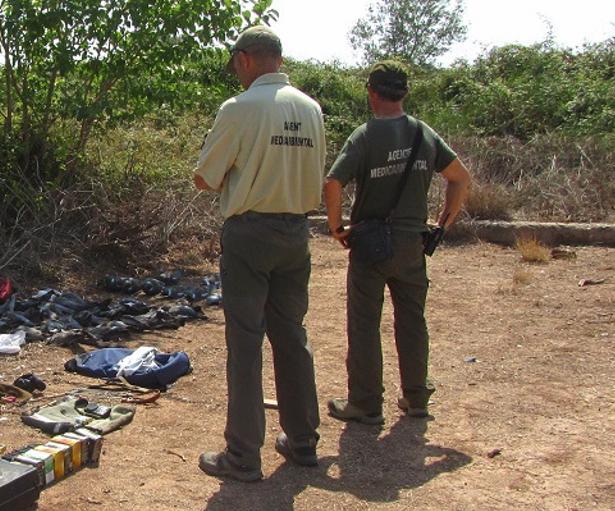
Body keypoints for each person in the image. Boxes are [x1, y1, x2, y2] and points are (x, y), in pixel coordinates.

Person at [193, 25, 327, 481]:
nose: (235, 72)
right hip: (296, 232)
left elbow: (205, 178)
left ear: (246, 58)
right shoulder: (311, 109)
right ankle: (304, 441)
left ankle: (243, 455)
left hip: (250, 233)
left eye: (235, 64)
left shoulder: (239, 108)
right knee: (292, 335)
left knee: (245, 343)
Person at [323, 60, 472, 425]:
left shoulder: (364, 136)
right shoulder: (424, 135)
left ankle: (365, 403)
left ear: (372, 93)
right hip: (411, 244)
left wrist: (336, 225)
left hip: (370, 244)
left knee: (364, 323)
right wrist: (447, 217)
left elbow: (333, 182)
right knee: (411, 319)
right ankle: (417, 397)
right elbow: (460, 177)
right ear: (404, 93)